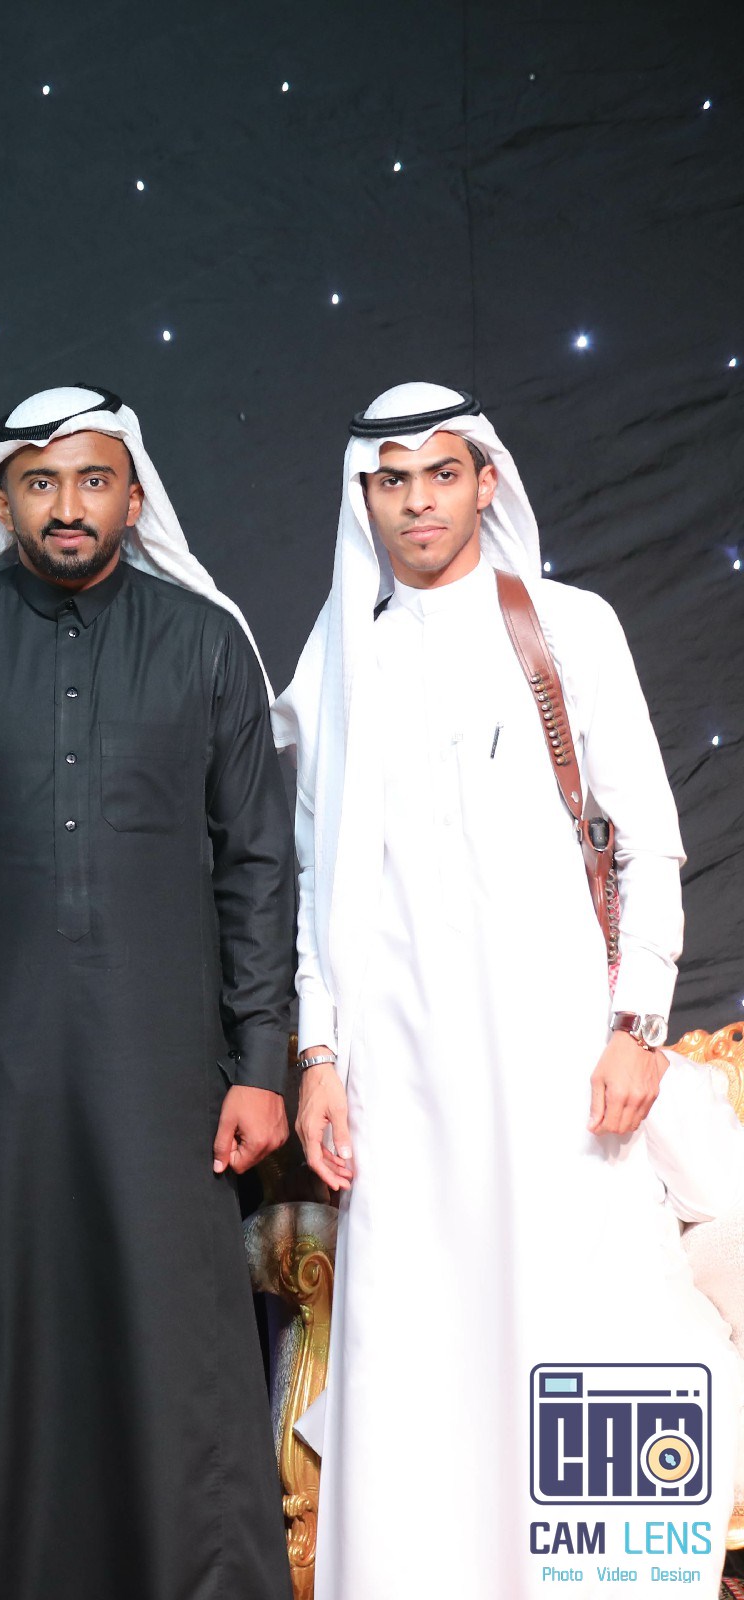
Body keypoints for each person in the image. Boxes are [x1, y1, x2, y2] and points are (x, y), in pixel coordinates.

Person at [278, 382, 737, 1598]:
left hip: (560, 1066)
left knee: (584, 1340)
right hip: (402, 1082)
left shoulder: (568, 628)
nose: (418, 501)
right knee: (423, 1361)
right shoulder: (339, 662)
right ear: (364, 497)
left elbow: (649, 842)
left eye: (442, 472)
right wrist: (319, 1057)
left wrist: (638, 1025)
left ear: (487, 480)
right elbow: (316, 883)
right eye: (392, 480)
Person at [0, 386, 292, 1600]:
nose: (69, 506)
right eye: (42, 483)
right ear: (1, 502)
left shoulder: (206, 644)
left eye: (93, 480)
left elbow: (259, 867)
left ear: (134, 497)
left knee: (172, 1344)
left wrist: (261, 1064)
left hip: (171, 1080)